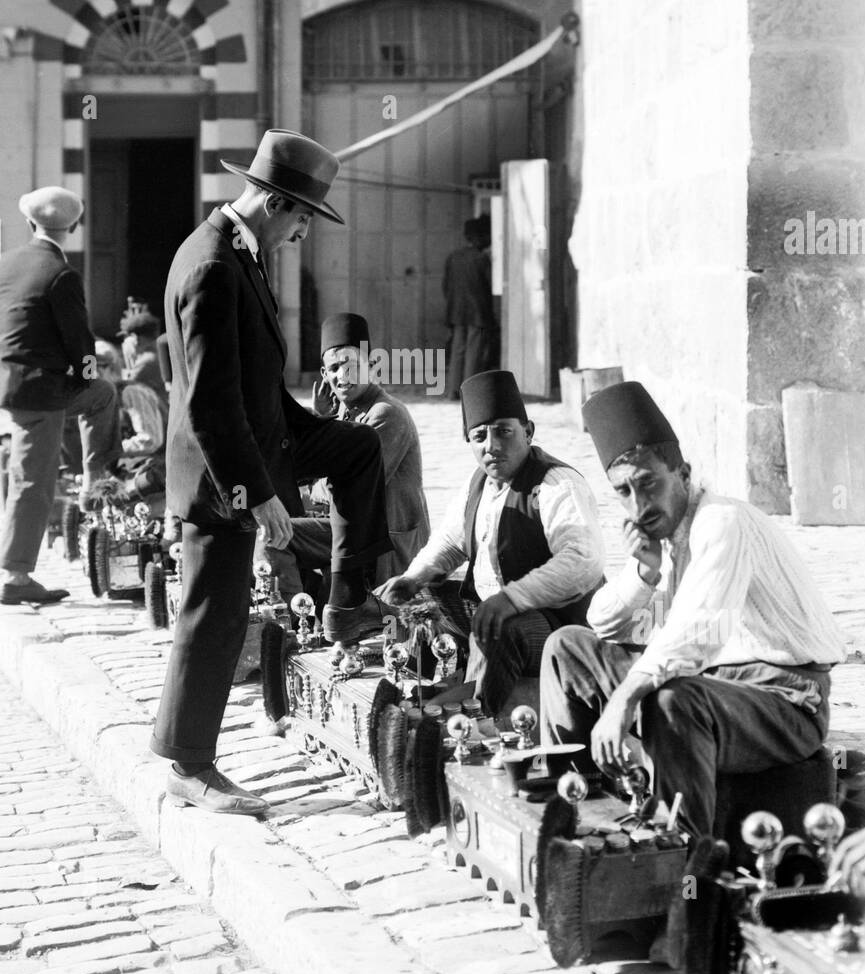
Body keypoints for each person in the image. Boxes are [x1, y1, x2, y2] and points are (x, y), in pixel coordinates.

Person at [152, 129, 392, 815]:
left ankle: (348, 601)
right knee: (214, 613)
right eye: (304, 221)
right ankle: (188, 763)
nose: (303, 236)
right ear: (278, 205)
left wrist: (310, 432)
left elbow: (252, 383)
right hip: (220, 472)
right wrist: (256, 496)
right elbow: (207, 399)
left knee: (357, 449)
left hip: (263, 439)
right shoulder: (213, 267)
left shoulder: (236, 252)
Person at [538, 381, 848, 842]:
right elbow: (601, 623)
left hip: (788, 698)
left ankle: (683, 856)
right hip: (716, 682)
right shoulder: (661, 536)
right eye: (623, 491)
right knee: (567, 648)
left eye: (649, 483)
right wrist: (641, 573)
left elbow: (699, 631)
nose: (639, 505)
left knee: (672, 698)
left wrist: (624, 699)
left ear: (682, 473)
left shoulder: (722, 521)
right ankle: (575, 803)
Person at [379, 370, 605, 719]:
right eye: (479, 436)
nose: (492, 446)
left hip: (560, 626)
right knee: (420, 598)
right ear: (468, 440)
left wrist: (511, 600)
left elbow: (581, 562)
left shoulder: (557, 484)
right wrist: (413, 578)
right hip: (495, 610)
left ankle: (477, 717)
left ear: (528, 432)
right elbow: (450, 543)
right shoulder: (479, 484)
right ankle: (423, 684)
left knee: (498, 627)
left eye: (504, 432)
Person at [0, 187, 121, 605]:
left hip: (6, 380)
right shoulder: (61, 273)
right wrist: (86, 370)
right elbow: (80, 341)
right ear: (74, 227)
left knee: (100, 395)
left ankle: (91, 478)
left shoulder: (6, 262)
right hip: (38, 392)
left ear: (30, 223)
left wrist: (81, 377)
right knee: (32, 481)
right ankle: (16, 576)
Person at [266, 310, 431, 608]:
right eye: (334, 368)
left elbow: (340, 488)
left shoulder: (386, 414)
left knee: (274, 536)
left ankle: (290, 621)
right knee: (274, 519)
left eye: (351, 365)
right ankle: (307, 603)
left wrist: (309, 482)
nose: (343, 376)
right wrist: (321, 420)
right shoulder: (344, 413)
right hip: (352, 528)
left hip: (383, 543)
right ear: (324, 375)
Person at [90, 339, 167, 499]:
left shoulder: (130, 392)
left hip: (160, 478)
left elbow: (150, 440)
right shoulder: (105, 401)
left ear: (109, 369)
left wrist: (111, 449)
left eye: (95, 370)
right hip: (136, 475)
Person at [443, 216, 497, 399]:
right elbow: (490, 287)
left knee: (458, 351)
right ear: (481, 237)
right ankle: (469, 393)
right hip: (478, 312)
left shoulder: (453, 257)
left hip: (456, 312)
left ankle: (452, 391)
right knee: (474, 352)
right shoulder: (482, 259)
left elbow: (446, 285)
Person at [117, 306, 167, 404]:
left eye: (127, 337)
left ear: (136, 338)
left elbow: (123, 389)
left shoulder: (148, 361)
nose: (125, 343)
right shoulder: (158, 353)